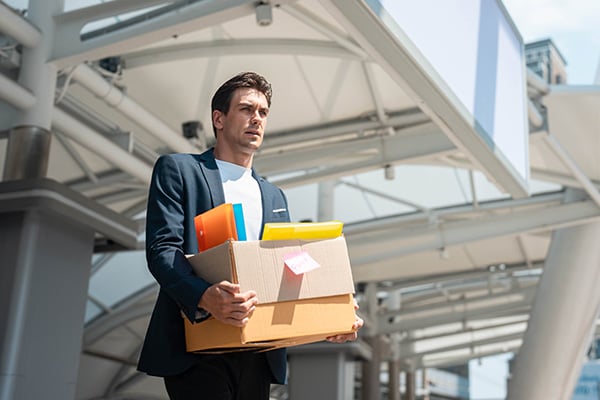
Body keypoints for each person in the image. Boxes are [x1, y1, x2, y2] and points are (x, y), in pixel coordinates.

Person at [137, 71, 363, 400]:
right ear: (219, 118)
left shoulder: (274, 196)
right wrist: (204, 296)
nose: (256, 119)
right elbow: (162, 250)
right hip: (197, 346)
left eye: (263, 112)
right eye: (246, 109)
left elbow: (286, 267)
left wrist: (333, 312)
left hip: (258, 351)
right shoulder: (179, 170)